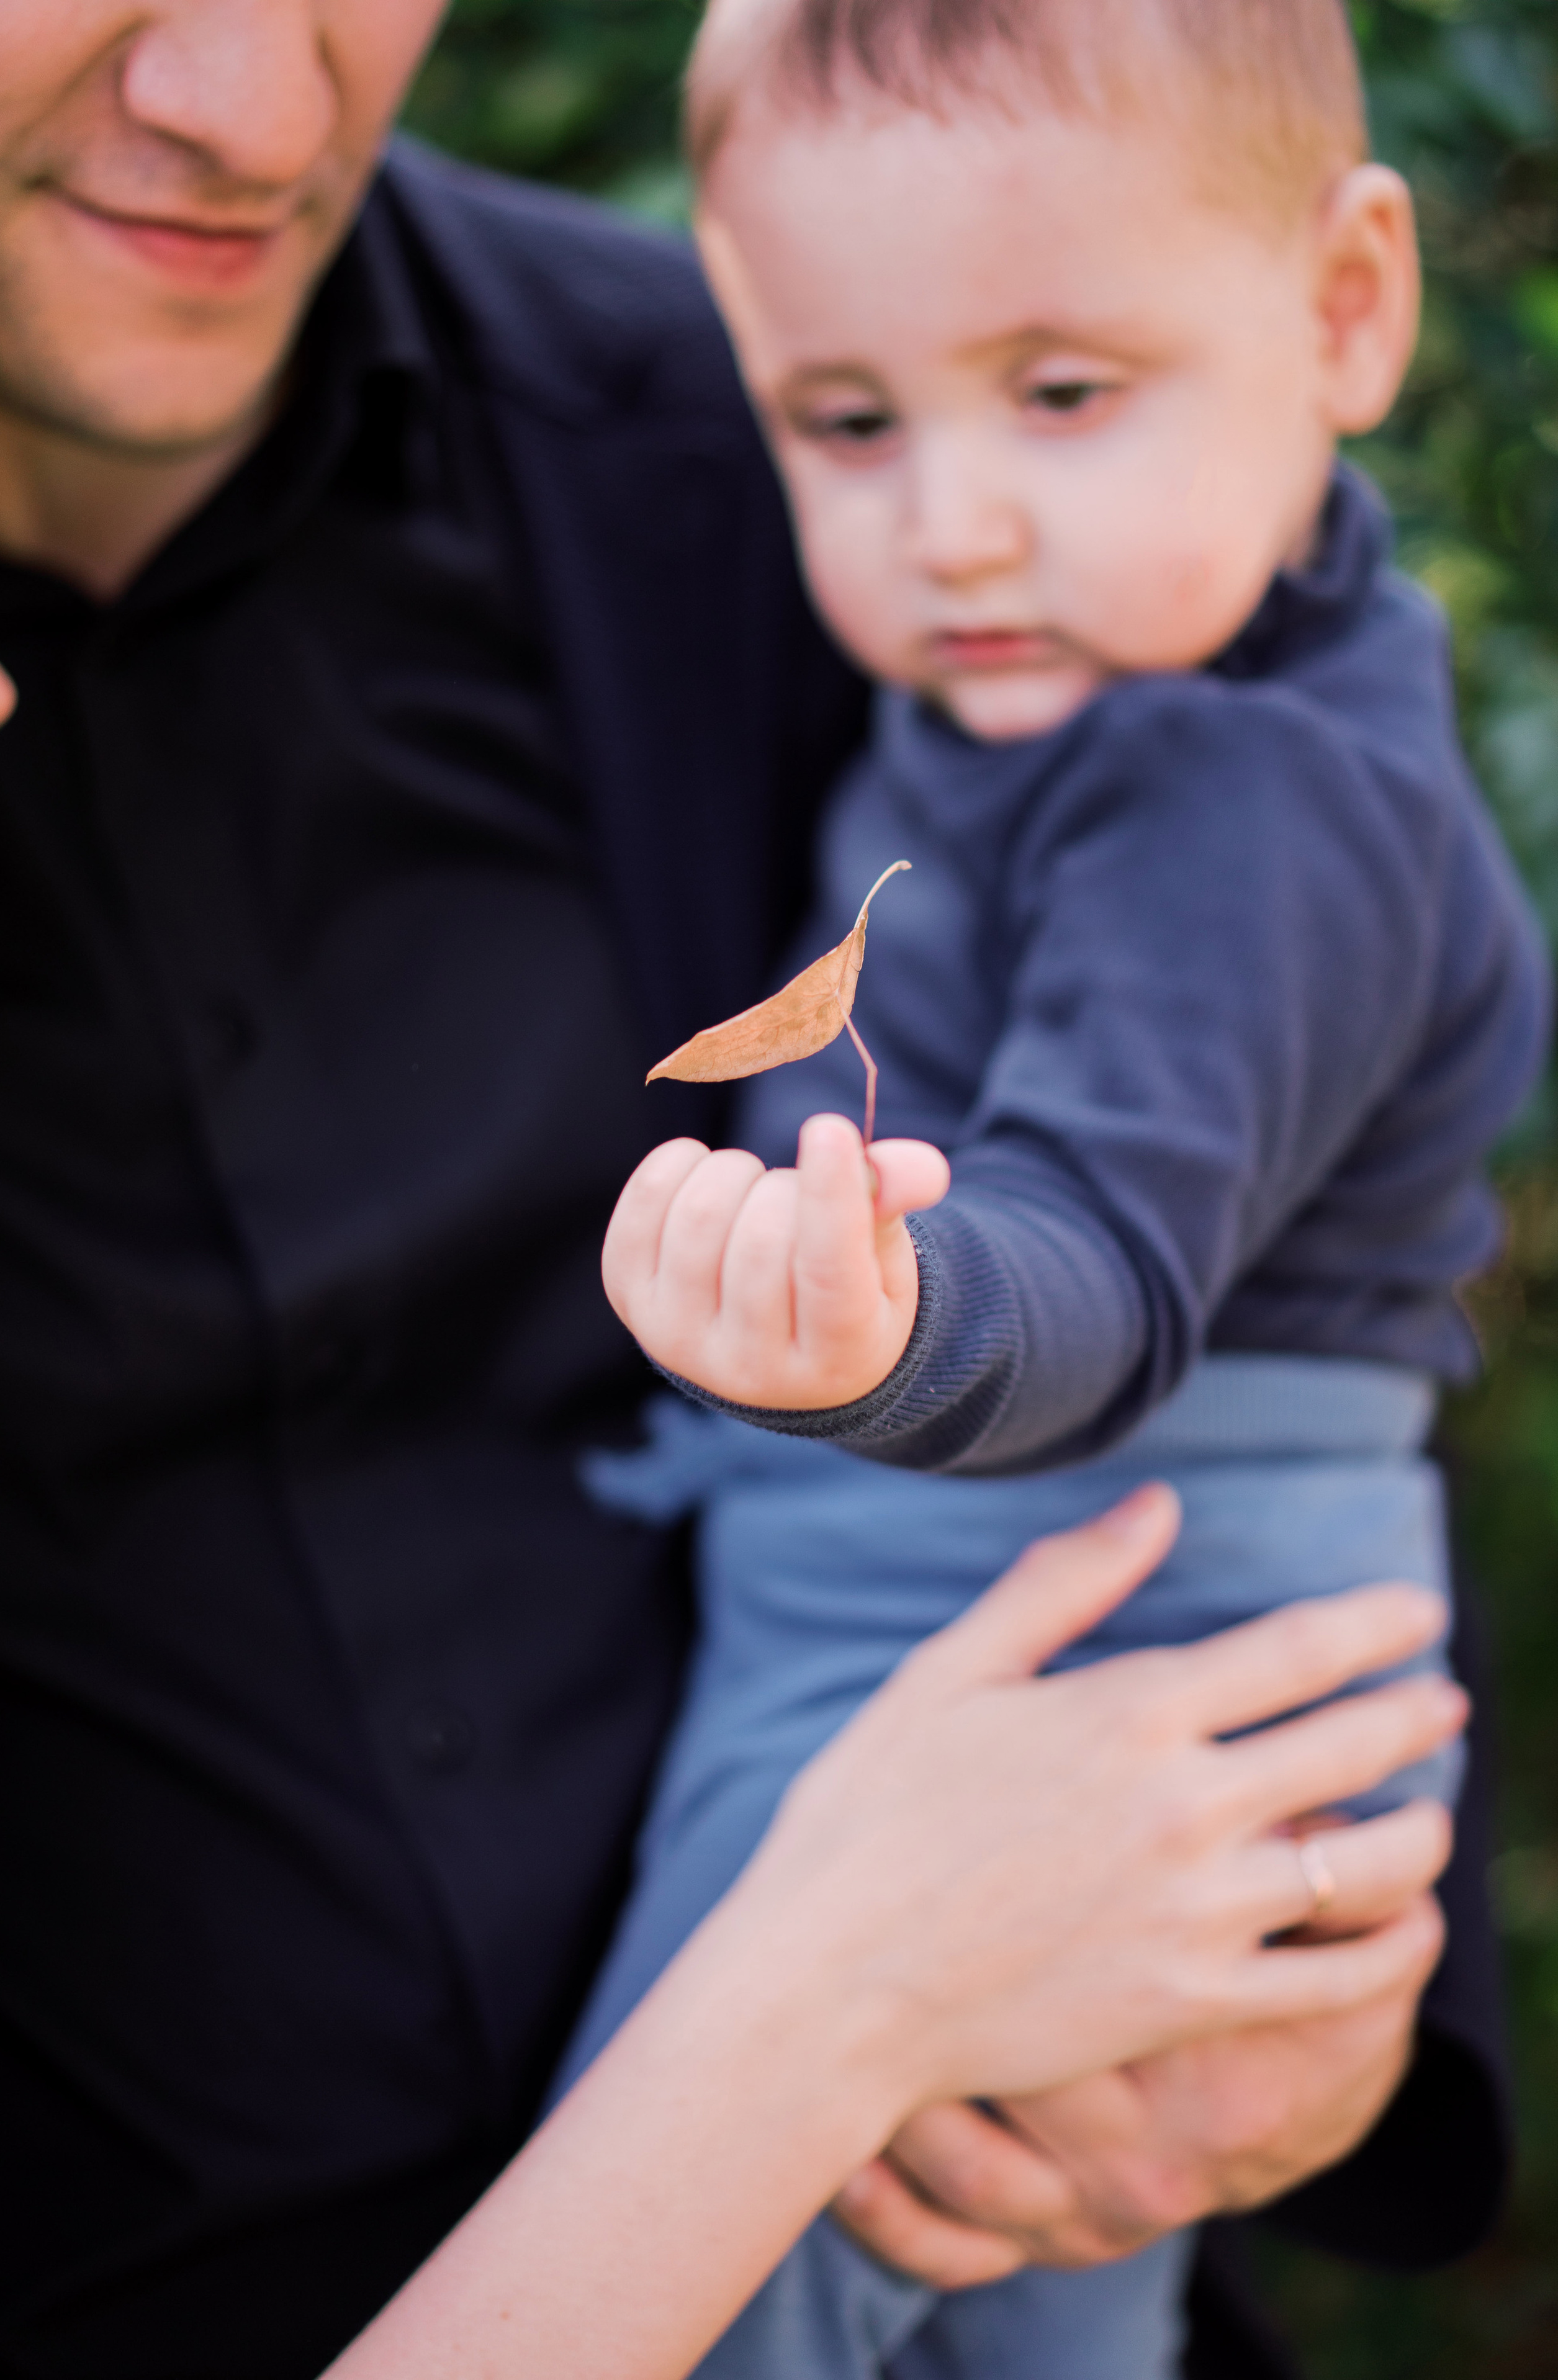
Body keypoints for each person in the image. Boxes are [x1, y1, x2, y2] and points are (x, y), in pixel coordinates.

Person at [0, 3, 1513, 2375]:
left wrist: (1336, 1983)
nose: (254, 108)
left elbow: (1232, 1164)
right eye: (860, 432)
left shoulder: (729, 405)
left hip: (1020, 1850)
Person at [587, 0, 1550, 2373]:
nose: (959, 524)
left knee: (714, 2278)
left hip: (1038, 1617)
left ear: (1345, 309)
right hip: (1038, 1600)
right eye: (850, 421)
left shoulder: (1231, 792)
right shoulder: (1131, 666)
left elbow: (1112, 1253)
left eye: (1063, 391)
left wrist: (893, 1325)